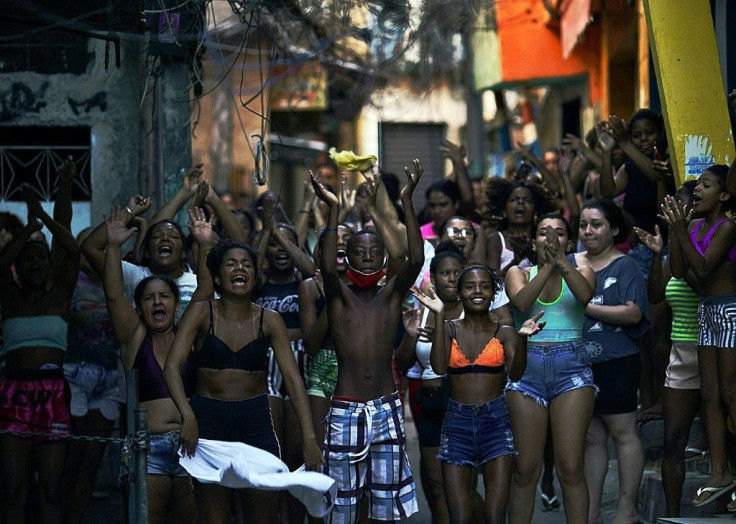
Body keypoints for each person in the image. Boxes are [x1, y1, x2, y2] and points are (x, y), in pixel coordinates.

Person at [164, 237, 323, 524]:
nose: (240, 268)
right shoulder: (201, 312)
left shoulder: (270, 319)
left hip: (256, 424)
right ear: (217, 277)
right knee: (215, 519)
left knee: (262, 517)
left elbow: (294, 381)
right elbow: (172, 367)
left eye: (247, 264)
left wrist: (310, 438)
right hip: (208, 425)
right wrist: (187, 414)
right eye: (231, 264)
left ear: (254, 276)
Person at [309, 159, 425, 523]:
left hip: (387, 408)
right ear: (348, 258)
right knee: (341, 503)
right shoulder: (339, 295)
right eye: (359, 252)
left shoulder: (390, 294)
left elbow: (415, 258)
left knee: (385, 504)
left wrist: (406, 200)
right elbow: (327, 268)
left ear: (385, 259)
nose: (368, 258)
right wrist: (332, 212)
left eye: (376, 253)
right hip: (345, 409)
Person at [103, 207, 213, 524]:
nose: (157, 302)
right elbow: (112, 295)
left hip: (192, 448)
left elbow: (205, 293)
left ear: (176, 305)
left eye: (164, 296)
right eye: (149, 298)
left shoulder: (188, 337)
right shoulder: (134, 338)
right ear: (139, 308)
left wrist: (205, 245)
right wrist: (112, 246)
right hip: (147, 450)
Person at [413, 264, 544, 523]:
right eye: (470, 286)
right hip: (456, 424)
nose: (478, 291)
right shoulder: (449, 328)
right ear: (460, 293)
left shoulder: (504, 332)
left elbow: (516, 374)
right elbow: (439, 367)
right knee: (459, 518)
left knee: (495, 517)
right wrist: (438, 316)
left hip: (495, 422)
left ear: (493, 293)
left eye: (485, 286)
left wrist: (524, 339)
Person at [504, 213, 597, 524]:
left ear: (570, 242)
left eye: (559, 233)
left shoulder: (583, 270)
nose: (551, 238)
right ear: (533, 242)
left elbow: (584, 296)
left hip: (571, 370)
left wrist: (561, 262)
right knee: (525, 469)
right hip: (526, 369)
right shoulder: (517, 273)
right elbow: (520, 303)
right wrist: (547, 267)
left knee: (570, 468)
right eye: (543, 233)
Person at [0, 188, 79, 524]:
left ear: (49, 265)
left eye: (41, 258)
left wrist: (43, 221)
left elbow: (72, 250)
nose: (35, 262)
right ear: (19, 264)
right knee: (13, 490)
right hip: (13, 391)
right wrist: (28, 230)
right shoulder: (10, 297)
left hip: (52, 393)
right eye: (28, 257)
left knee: (50, 488)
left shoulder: (60, 295)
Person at [659, 164, 736, 507]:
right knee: (709, 393)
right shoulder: (691, 225)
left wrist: (680, 231)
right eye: (698, 185)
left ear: (723, 195)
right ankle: (719, 471)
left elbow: (703, 270)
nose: (698, 190)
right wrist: (678, 231)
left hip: (729, 309)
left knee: (731, 393)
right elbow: (678, 270)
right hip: (707, 311)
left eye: (706, 185)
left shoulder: (728, 226)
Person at [574, 200, 649, 524]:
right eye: (583, 225)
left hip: (618, 360)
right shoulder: (570, 263)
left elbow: (633, 313)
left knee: (623, 433)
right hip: (577, 362)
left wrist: (586, 305)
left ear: (614, 229)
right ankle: (590, 514)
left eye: (596, 224)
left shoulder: (626, 265)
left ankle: (626, 509)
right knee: (591, 438)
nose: (588, 231)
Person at [634, 181, 701, 517]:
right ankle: (672, 514)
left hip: (717, 350)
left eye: (685, 206)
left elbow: (699, 279)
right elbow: (656, 300)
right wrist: (658, 252)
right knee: (673, 441)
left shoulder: (711, 241)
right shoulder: (672, 246)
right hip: (682, 355)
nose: (678, 212)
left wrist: (681, 237)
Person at [397, 242, 467, 523]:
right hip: (430, 403)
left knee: (462, 485)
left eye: (457, 272)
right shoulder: (422, 310)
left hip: (463, 404)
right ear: (433, 278)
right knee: (435, 484)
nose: (451, 278)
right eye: (445, 273)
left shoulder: (473, 311)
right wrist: (411, 334)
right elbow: (402, 364)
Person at [62, 228, 124, 524]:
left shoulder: (118, 282)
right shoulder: (70, 281)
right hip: (74, 373)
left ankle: (76, 518)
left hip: (109, 377)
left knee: (91, 461)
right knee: (71, 457)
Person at [300, 223, 355, 446]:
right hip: (322, 369)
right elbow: (311, 346)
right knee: (322, 450)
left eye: (347, 238)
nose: (340, 242)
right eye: (334, 239)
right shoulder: (310, 287)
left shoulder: (366, 286)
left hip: (356, 370)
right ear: (321, 252)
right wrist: (330, 300)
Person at [484, 179, 556, 277]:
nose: (521, 202)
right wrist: (517, 260)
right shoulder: (495, 239)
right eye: (514, 200)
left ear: (535, 212)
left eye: (527, 200)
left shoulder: (543, 238)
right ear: (504, 211)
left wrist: (530, 254)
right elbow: (492, 279)